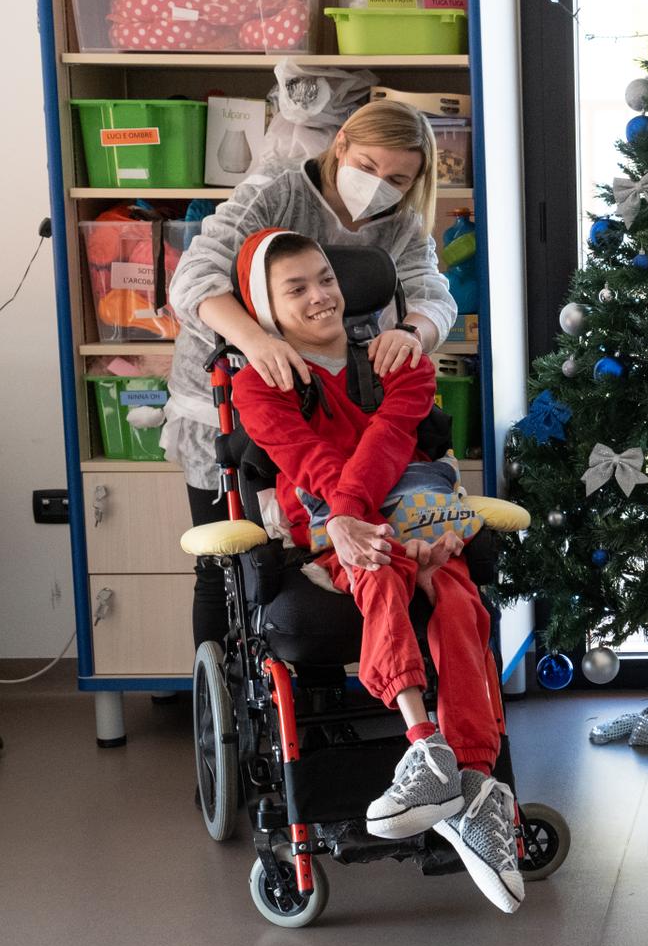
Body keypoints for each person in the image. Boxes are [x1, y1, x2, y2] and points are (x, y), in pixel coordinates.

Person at [226, 231, 520, 912]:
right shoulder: (258, 382)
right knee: (383, 569)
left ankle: (465, 778)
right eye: (295, 288)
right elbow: (307, 462)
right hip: (335, 528)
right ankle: (431, 752)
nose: (320, 295)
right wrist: (351, 523)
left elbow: (391, 444)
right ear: (263, 305)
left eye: (325, 278)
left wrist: (384, 522)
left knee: (456, 596)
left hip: (389, 512)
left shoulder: (400, 361)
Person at [164, 99, 457, 665]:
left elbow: (430, 293)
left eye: (399, 178)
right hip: (235, 395)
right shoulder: (274, 194)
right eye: (369, 168)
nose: (380, 187)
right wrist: (256, 341)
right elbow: (193, 277)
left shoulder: (400, 222)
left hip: (339, 398)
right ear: (341, 142)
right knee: (228, 564)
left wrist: (413, 334)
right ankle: (220, 685)